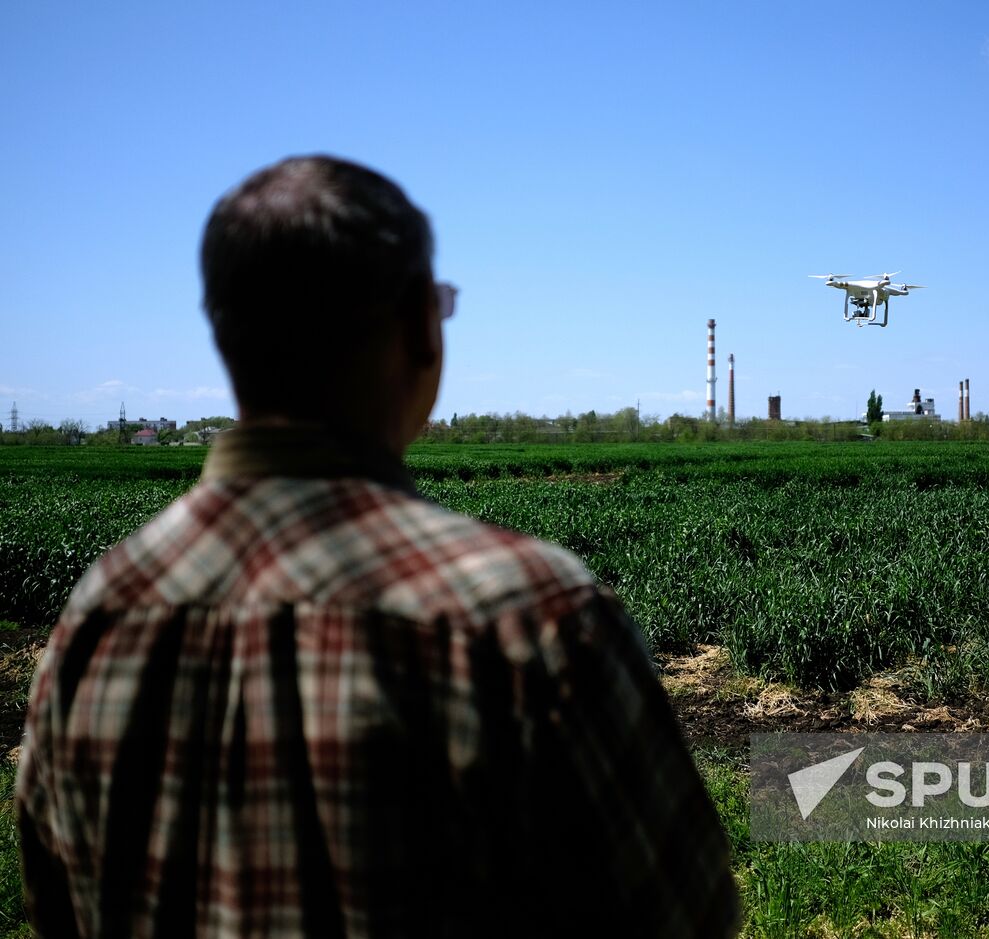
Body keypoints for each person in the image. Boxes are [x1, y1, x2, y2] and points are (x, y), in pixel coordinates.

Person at [16, 155, 741, 937]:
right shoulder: (528, 619)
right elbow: (685, 915)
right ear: (422, 329)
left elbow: (53, 908)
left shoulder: (97, 619)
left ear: (228, 341)